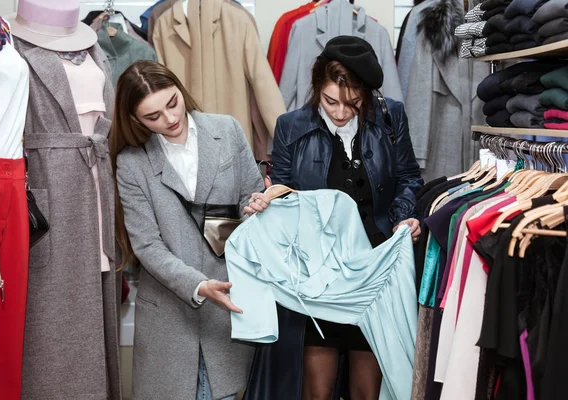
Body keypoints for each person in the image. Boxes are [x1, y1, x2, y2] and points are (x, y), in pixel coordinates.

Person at [245, 36, 424, 400]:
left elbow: (408, 178)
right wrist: (265, 203)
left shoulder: (391, 116)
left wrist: (404, 218)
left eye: (353, 103)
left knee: (367, 392)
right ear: (316, 89)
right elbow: (283, 193)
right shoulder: (291, 126)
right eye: (331, 102)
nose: (341, 112)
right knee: (317, 391)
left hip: (374, 272)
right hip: (319, 277)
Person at [110, 60, 264, 400]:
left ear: (181, 90)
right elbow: (147, 246)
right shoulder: (131, 163)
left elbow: (249, 199)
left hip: (228, 305)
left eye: (173, 103)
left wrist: (256, 208)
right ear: (134, 119)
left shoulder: (227, 130)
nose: (170, 119)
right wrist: (197, 285)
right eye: (153, 117)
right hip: (168, 317)